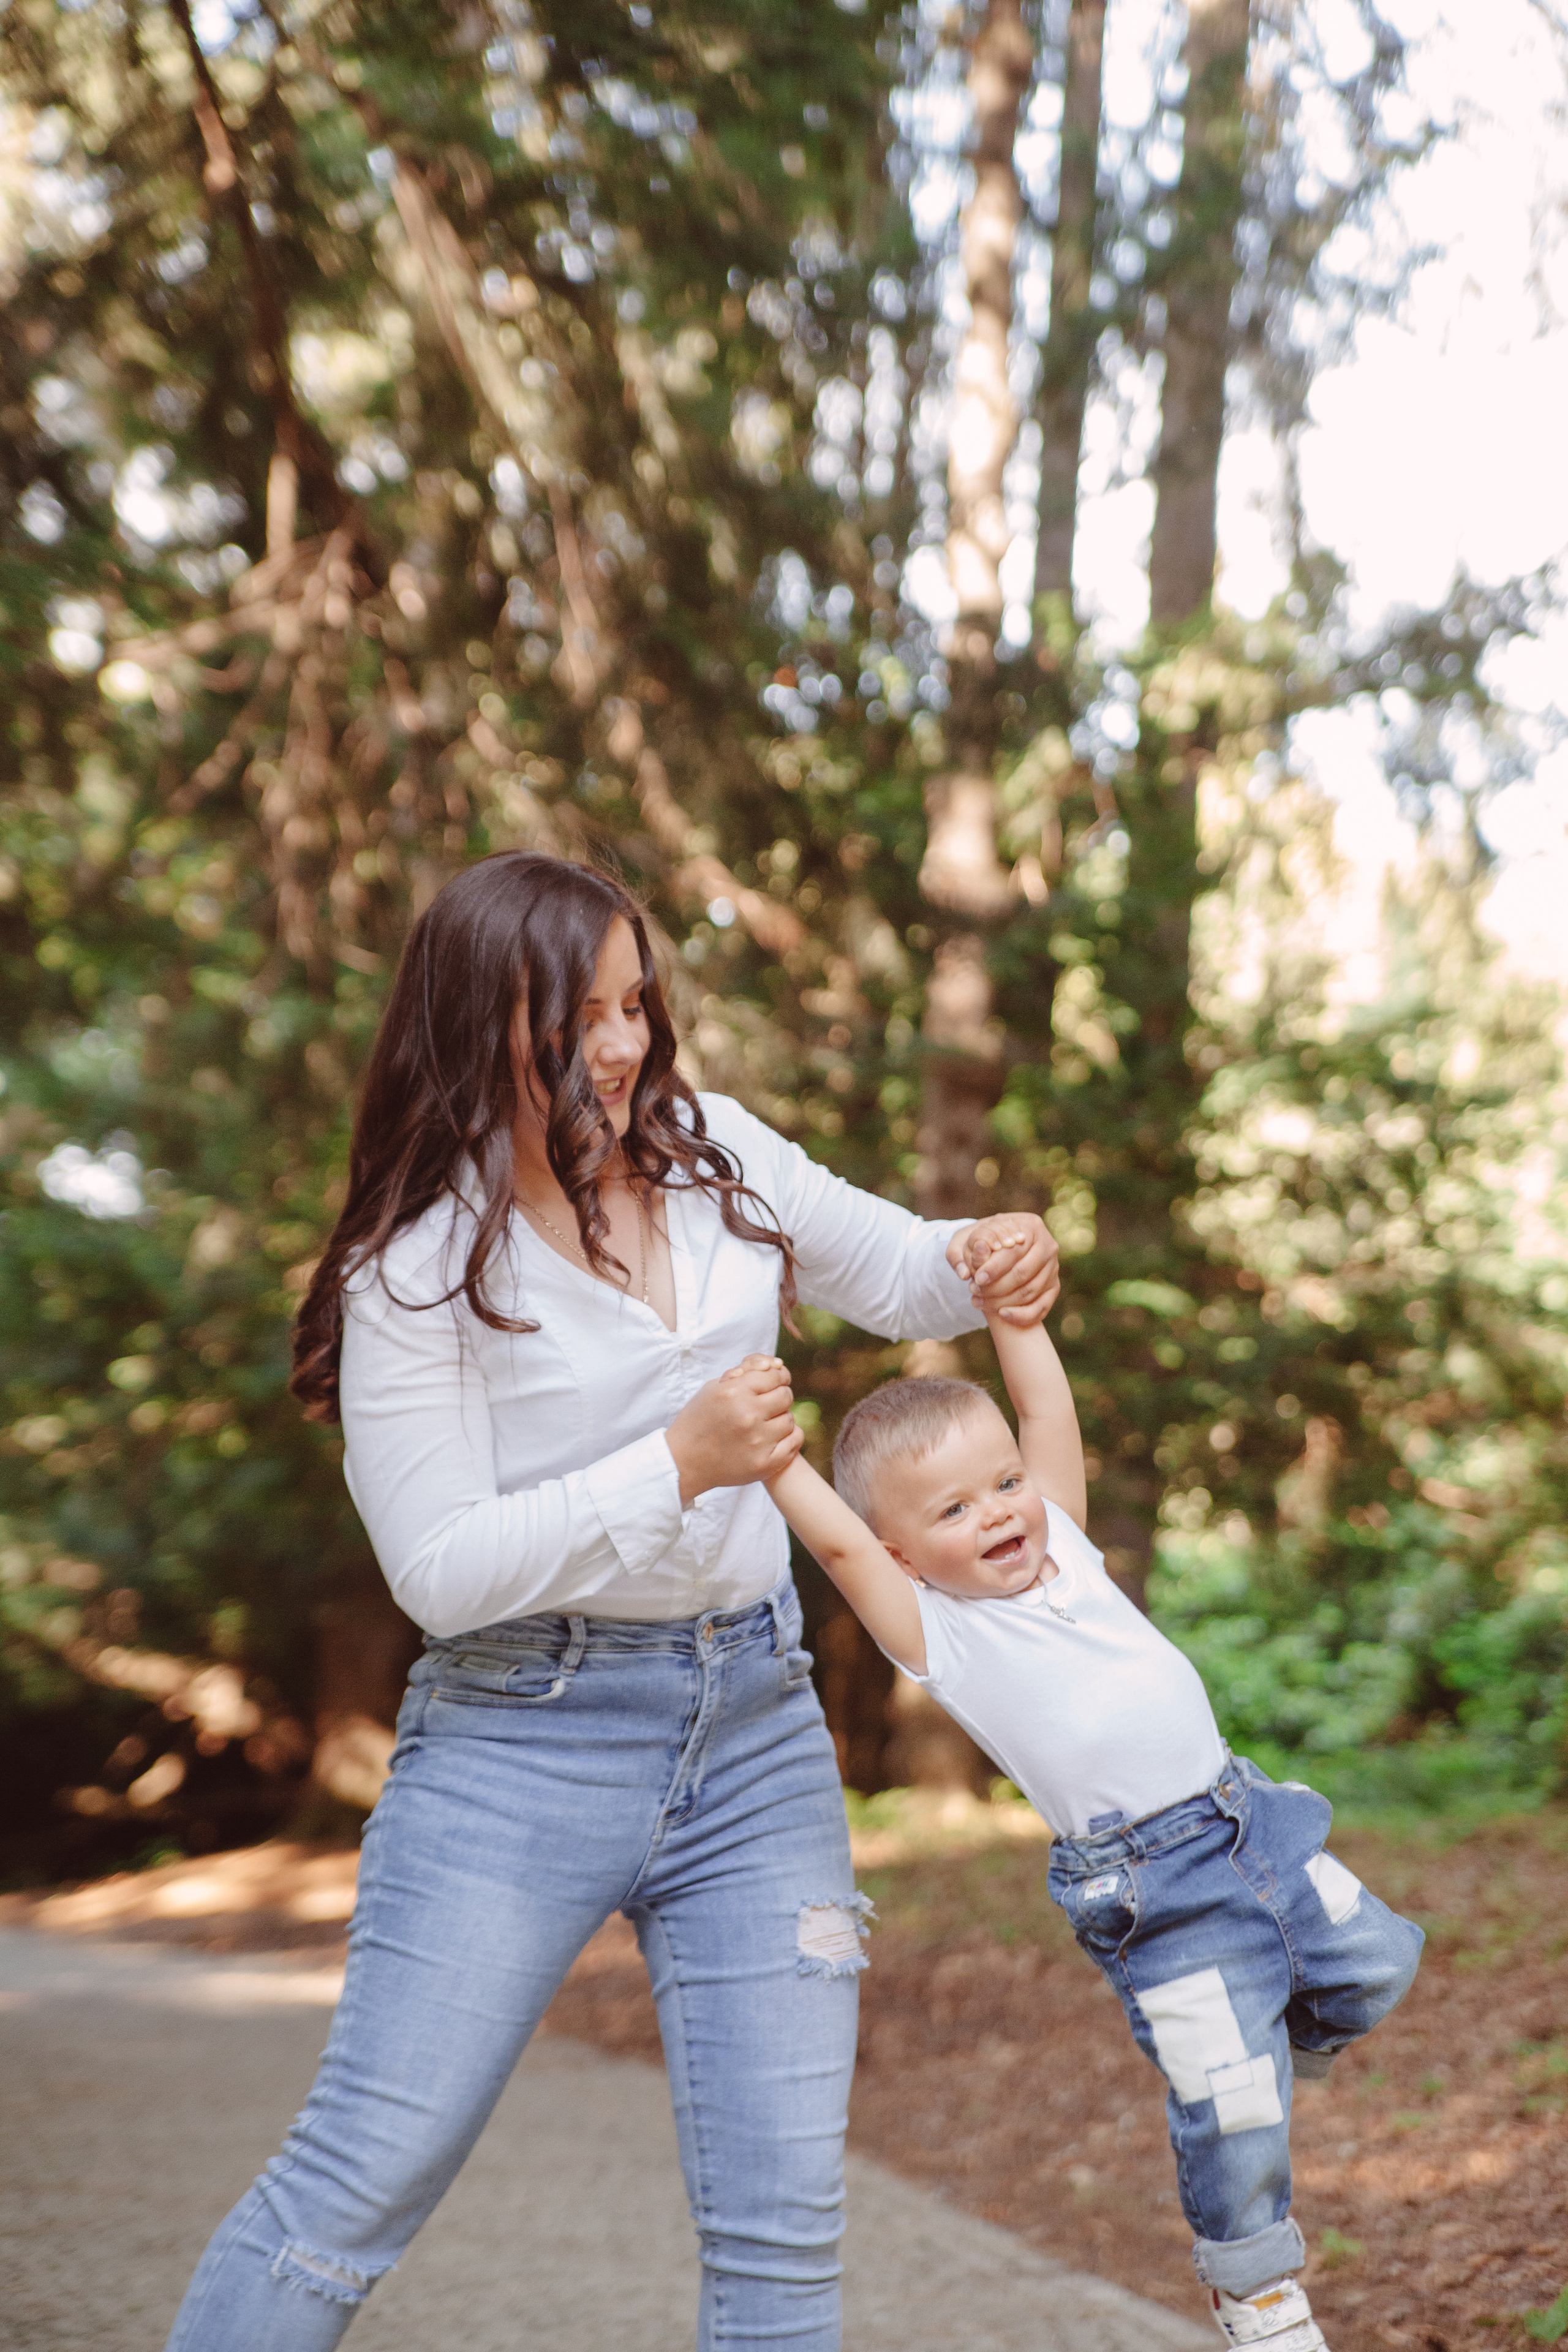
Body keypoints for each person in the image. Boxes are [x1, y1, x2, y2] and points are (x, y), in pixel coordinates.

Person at [162, 849, 1060, 2352]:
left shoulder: (719, 1154)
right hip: (521, 1739)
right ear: (474, 1023)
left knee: (783, 2238)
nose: (623, 1046)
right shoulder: (417, 1266)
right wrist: (677, 1463)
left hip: (755, 1734)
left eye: (636, 1003)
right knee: (353, 2191)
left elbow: (904, 1275)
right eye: (577, 1016)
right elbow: (440, 1572)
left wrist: (984, 1252)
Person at [763, 1268, 1424, 2352]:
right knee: (1229, 2110)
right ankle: (1255, 2291)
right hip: (1154, 1887)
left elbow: (1048, 1414)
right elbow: (835, 1545)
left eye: (1004, 1485)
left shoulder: (1062, 1538)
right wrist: (778, 1460)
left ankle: (1270, 2053)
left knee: (1380, 1960)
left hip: (1249, 1818)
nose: (998, 1514)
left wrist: (1014, 1320)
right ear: (902, 1555)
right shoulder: (942, 1637)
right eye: (954, 1510)